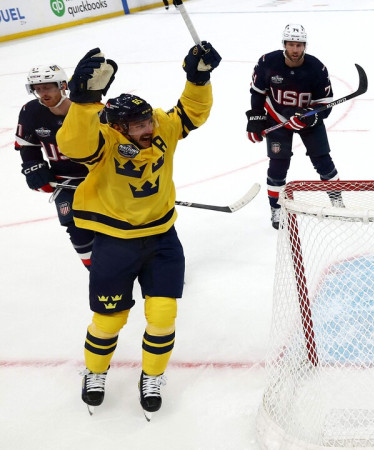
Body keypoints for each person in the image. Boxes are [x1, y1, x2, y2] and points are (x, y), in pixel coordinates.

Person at [55, 43, 221, 418]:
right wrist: (82, 102)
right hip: (115, 244)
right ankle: (95, 372)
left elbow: (192, 112)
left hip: (162, 239)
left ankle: (153, 375)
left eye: (148, 121)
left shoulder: (160, 125)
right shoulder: (105, 141)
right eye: (138, 125)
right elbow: (73, 143)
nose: (148, 129)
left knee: (163, 316)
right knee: (109, 320)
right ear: (117, 126)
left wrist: (198, 78)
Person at [246, 24, 343, 230]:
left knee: (323, 161)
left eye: (299, 45)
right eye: (291, 44)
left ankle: (337, 201)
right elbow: (257, 93)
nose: (295, 49)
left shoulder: (316, 68)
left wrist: (309, 118)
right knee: (278, 166)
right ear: (284, 45)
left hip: (307, 119)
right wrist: (255, 120)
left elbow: (325, 105)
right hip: (277, 118)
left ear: (304, 45)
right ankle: (277, 208)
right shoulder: (267, 63)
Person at [15, 64, 93, 270]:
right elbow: (26, 143)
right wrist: (32, 165)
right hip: (63, 182)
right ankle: (98, 271)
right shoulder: (30, 111)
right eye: (38, 89)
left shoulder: (85, 109)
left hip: (98, 177)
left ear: (63, 86)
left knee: (115, 224)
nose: (42, 93)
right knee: (75, 227)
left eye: (47, 87)